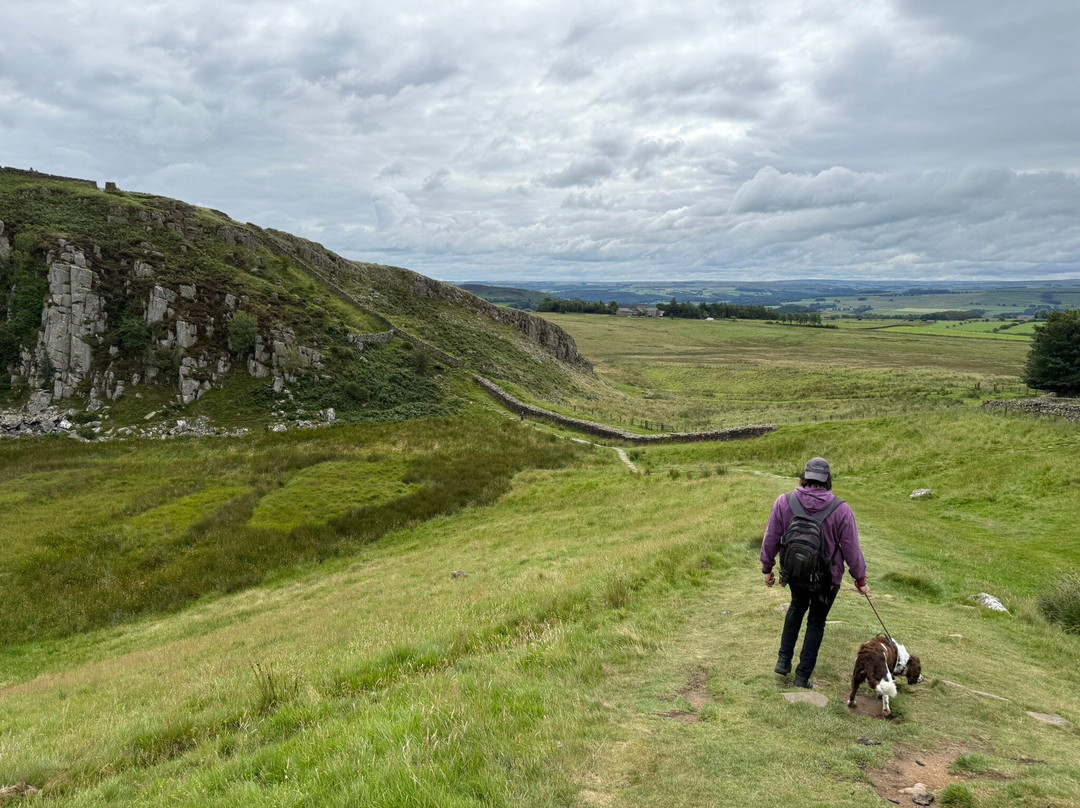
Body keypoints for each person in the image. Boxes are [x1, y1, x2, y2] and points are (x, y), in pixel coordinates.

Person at [760, 457, 868, 689]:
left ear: (805, 477)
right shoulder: (841, 509)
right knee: (816, 623)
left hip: (795, 573)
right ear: (827, 480)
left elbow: (771, 538)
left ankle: (783, 661)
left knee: (796, 607)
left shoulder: (784, 501)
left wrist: (767, 568)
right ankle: (802, 677)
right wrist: (860, 579)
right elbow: (852, 549)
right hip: (827, 580)